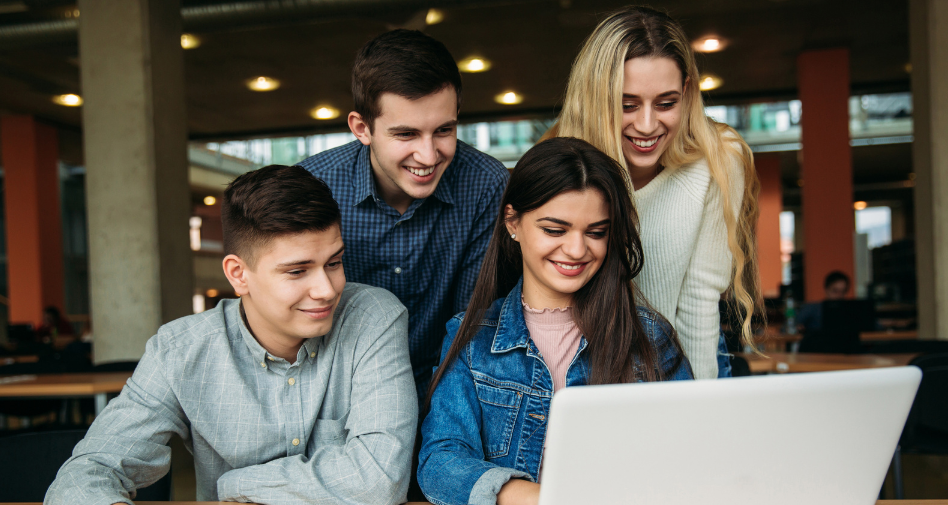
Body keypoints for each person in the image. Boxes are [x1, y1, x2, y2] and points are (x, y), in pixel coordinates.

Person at [45, 165, 417, 505]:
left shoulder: (373, 316)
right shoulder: (180, 350)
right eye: (297, 271)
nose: (326, 289)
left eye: (333, 263)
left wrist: (236, 483)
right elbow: (90, 470)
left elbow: (380, 480)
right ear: (238, 274)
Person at [417, 138, 693, 505]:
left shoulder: (649, 336)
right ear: (512, 222)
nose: (578, 250)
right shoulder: (472, 337)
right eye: (555, 230)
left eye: (596, 232)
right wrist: (541, 498)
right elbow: (439, 463)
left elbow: (689, 456)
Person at [545, 6, 762, 379]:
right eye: (627, 105)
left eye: (666, 103)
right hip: (589, 365)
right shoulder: (566, 162)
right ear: (597, 98)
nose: (647, 125)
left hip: (689, 362)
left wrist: (695, 411)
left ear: (687, 93)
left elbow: (699, 305)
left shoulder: (719, 157)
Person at [297, 29, 509, 400]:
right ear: (362, 128)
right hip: (336, 395)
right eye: (406, 134)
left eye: (444, 130)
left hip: (446, 391)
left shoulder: (487, 184)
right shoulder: (312, 185)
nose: (428, 156)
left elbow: (473, 325)